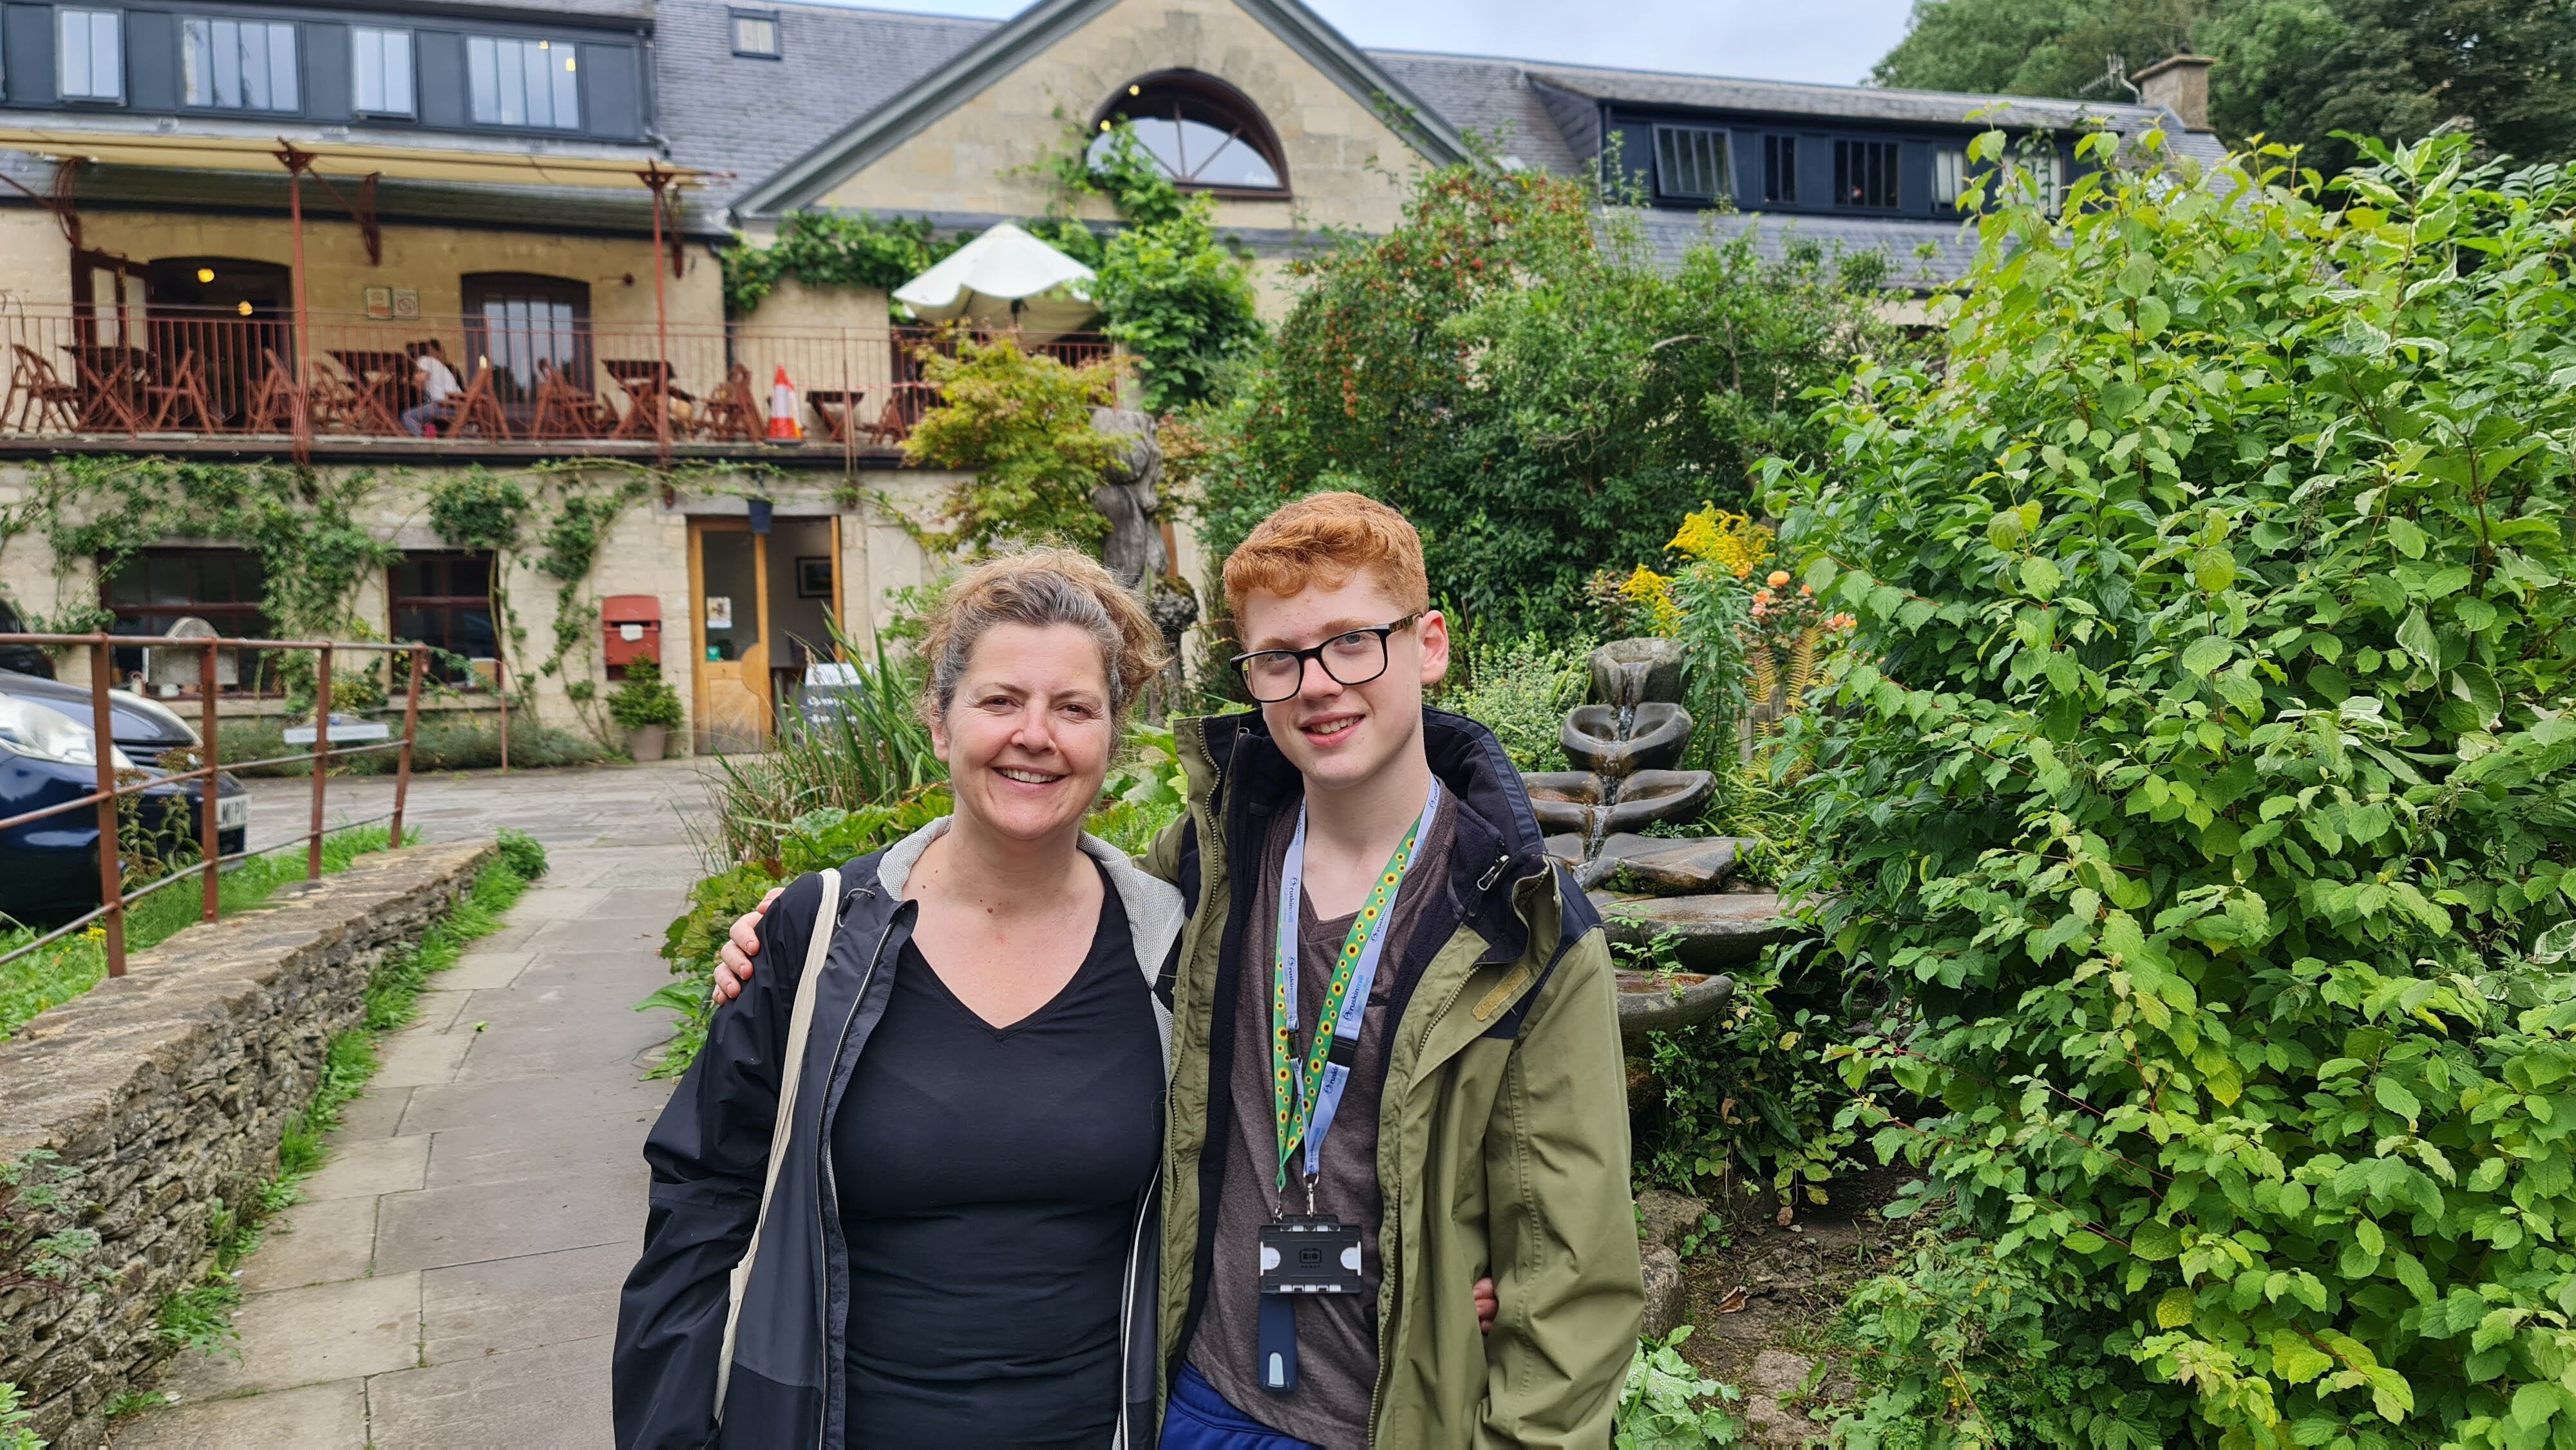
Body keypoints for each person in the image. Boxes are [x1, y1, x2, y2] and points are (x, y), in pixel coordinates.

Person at [716, 493, 1643, 1445]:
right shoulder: (1209, 867)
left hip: (1391, 1421)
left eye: (1354, 642)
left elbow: (1571, 1286)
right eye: (1278, 659)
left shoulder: (1521, 927)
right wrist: (833, 912)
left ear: (1430, 644)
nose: (1319, 684)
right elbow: (1033, 871)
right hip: (1192, 1404)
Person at [613, 549, 1184, 1449]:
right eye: (999, 701)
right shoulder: (821, 935)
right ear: (938, 723)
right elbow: (703, 1198)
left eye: (1073, 707)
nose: (1034, 734)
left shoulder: (1170, 950)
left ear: (1112, 737)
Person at [400, 340, 459, 437]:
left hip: (443, 405)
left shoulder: (424, 360)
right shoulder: (435, 362)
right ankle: (426, 439)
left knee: (408, 416)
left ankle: (421, 443)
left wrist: (409, 380)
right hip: (453, 404)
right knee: (421, 416)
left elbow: (421, 379)